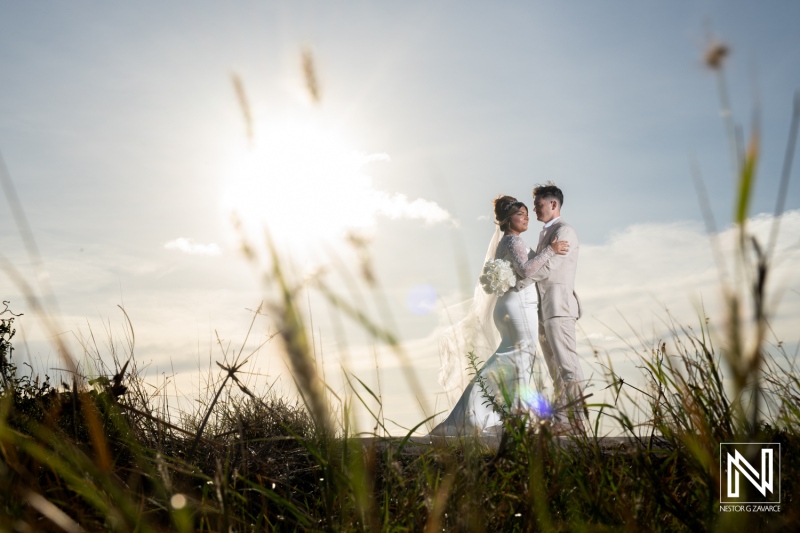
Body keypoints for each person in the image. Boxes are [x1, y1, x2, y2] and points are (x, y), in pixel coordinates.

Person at [430, 195, 569, 437]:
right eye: (520, 214)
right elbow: (526, 270)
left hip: (515, 304)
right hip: (517, 305)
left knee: (518, 359)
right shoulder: (513, 241)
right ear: (506, 220)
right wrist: (550, 250)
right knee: (514, 357)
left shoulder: (510, 241)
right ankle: (471, 416)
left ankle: (509, 417)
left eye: (527, 214)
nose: (526, 218)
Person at [516, 182, 585, 433]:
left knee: (568, 365)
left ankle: (576, 421)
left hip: (559, 306)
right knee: (554, 368)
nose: (535, 209)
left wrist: (522, 277)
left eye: (538, 204)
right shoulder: (546, 233)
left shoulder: (564, 231)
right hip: (543, 309)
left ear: (553, 204)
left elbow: (546, 268)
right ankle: (563, 421)